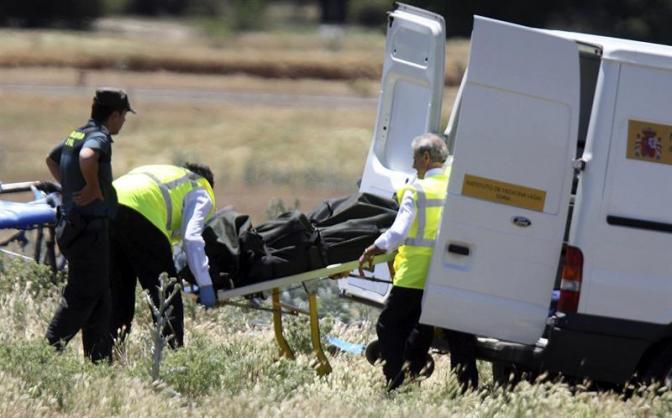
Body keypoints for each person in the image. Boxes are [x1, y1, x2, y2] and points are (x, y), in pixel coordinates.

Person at [358, 132, 477, 392]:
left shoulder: (417, 190)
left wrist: (374, 248)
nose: (412, 165)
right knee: (457, 332)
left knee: (389, 326)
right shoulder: (457, 186)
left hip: (415, 275)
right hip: (450, 272)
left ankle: (396, 382)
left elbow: (399, 232)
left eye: (414, 158)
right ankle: (467, 390)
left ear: (425, 158)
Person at [45, 87, 134, 362]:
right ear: (115, 114)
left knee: (100, 296)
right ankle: (45, 354)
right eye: (123, 116)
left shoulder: (78, 133)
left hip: (76, 227)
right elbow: (87, 157)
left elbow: (51, 158)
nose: (124, 122)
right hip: (89, 230)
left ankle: (99, 362)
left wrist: (70, 187)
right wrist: (92, 187)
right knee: (82, 296)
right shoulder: (99, 137)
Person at [109, 163, 217, 349]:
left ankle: (109, 355)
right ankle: (173, 354)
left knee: (119, 291)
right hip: (142, 212)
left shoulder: (169, 174)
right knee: (166, 291)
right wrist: (205, 284)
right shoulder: (201, 188)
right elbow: (191, 238)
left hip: (108, 205)